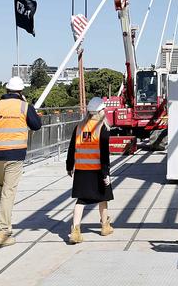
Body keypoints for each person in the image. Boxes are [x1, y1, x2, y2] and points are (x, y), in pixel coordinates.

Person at [0, 76, 42, 248]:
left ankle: (3, 226)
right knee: (8, 192)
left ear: (6, 90)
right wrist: (29, 106)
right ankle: (3, 232)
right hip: (15, 156)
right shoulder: (24, 106)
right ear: (20, 92)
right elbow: (36, 125)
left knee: (3, 190)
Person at [66, 96, 115, 244]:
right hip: (97, 170)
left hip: (81, 170)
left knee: (81, 200)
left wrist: (69, 166)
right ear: (101, 111)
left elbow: (71, 149)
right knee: (103, 197)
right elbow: (104, 154)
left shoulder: (79, 127)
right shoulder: (103, 128)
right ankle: (105, 226)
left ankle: (75, 231)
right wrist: (106, 173)